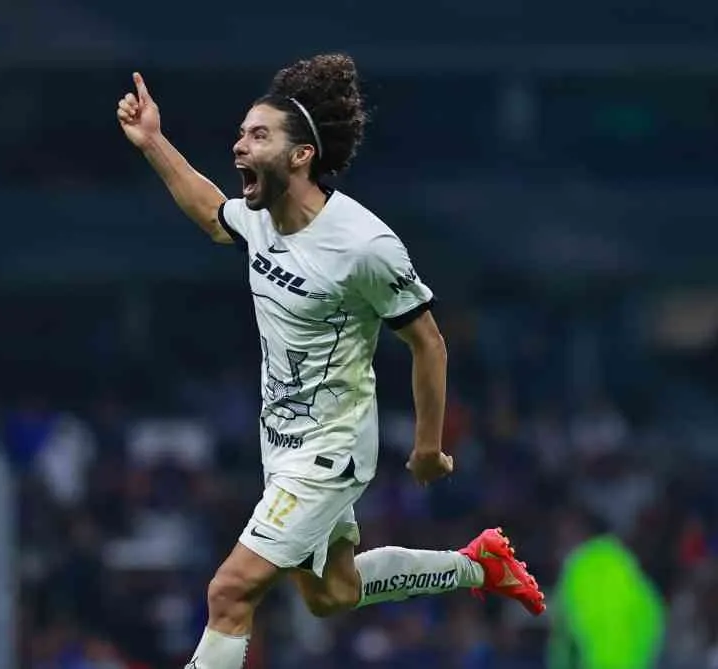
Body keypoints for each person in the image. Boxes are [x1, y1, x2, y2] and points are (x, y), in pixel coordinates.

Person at [116, 53, 546, 669]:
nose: (239, 146)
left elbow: (428, 341)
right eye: (239, 133)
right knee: (331, 594)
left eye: (257, 135)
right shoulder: (263, 218)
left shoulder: (363, 245)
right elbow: (213, 215)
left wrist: (428, 447)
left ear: (300, 156)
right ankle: (476, 565)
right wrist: (153, 142)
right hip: (282, 445)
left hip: (331, 452)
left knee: (229, 592)